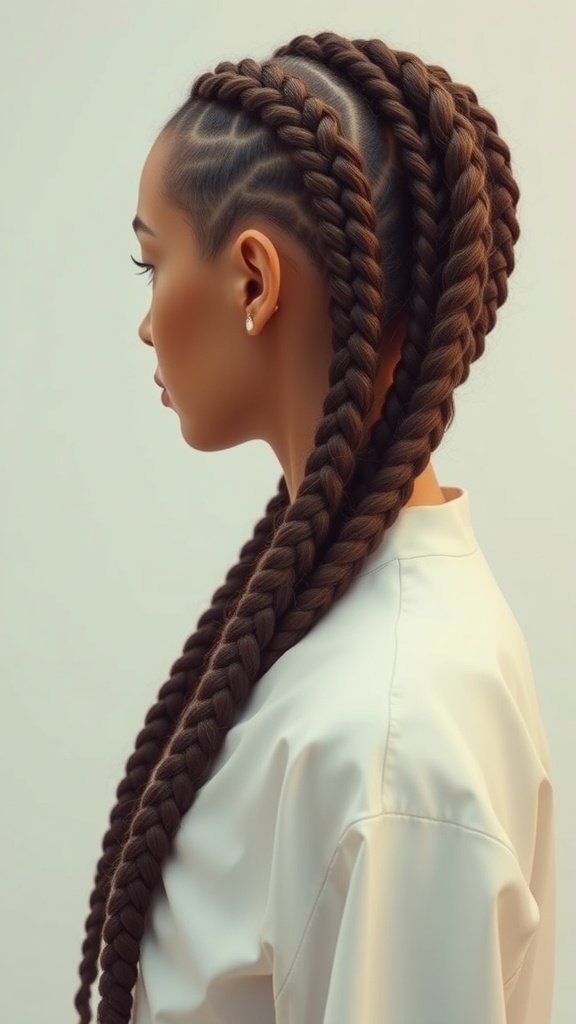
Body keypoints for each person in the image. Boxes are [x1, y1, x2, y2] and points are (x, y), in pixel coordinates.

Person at [74, 31, 556, 1024]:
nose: (146, 320)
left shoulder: (392, 733)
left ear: (252, 280)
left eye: (148, 260)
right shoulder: (341, 619)